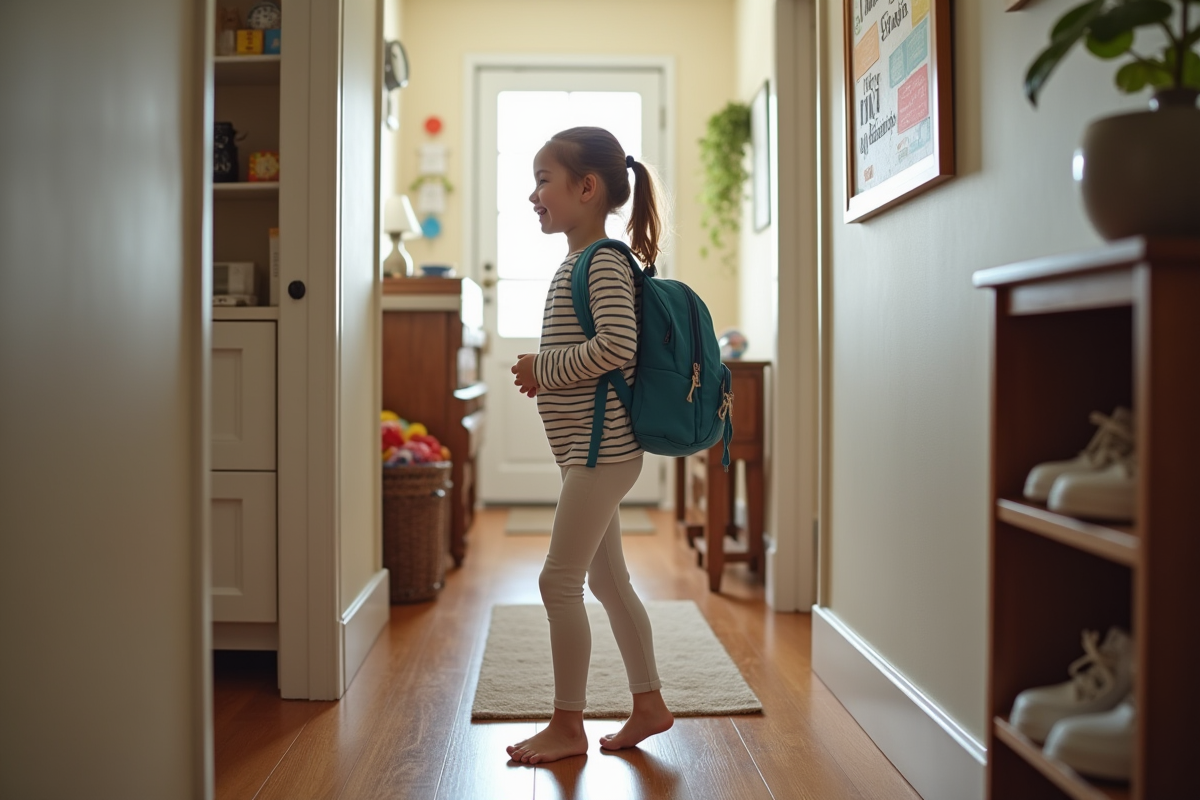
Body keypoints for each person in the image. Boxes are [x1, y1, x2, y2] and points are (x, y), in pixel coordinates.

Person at [507, 127, 674, 764]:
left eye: (544, 180)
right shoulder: (579, 261)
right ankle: (650, 704)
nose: (533, 194)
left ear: (587, 187)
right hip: (593, 449)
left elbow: (616, 348)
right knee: (607, 580)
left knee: (559, 582)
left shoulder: (601, 260)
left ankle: (567, 725)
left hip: (602, 451)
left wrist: (543, 369)